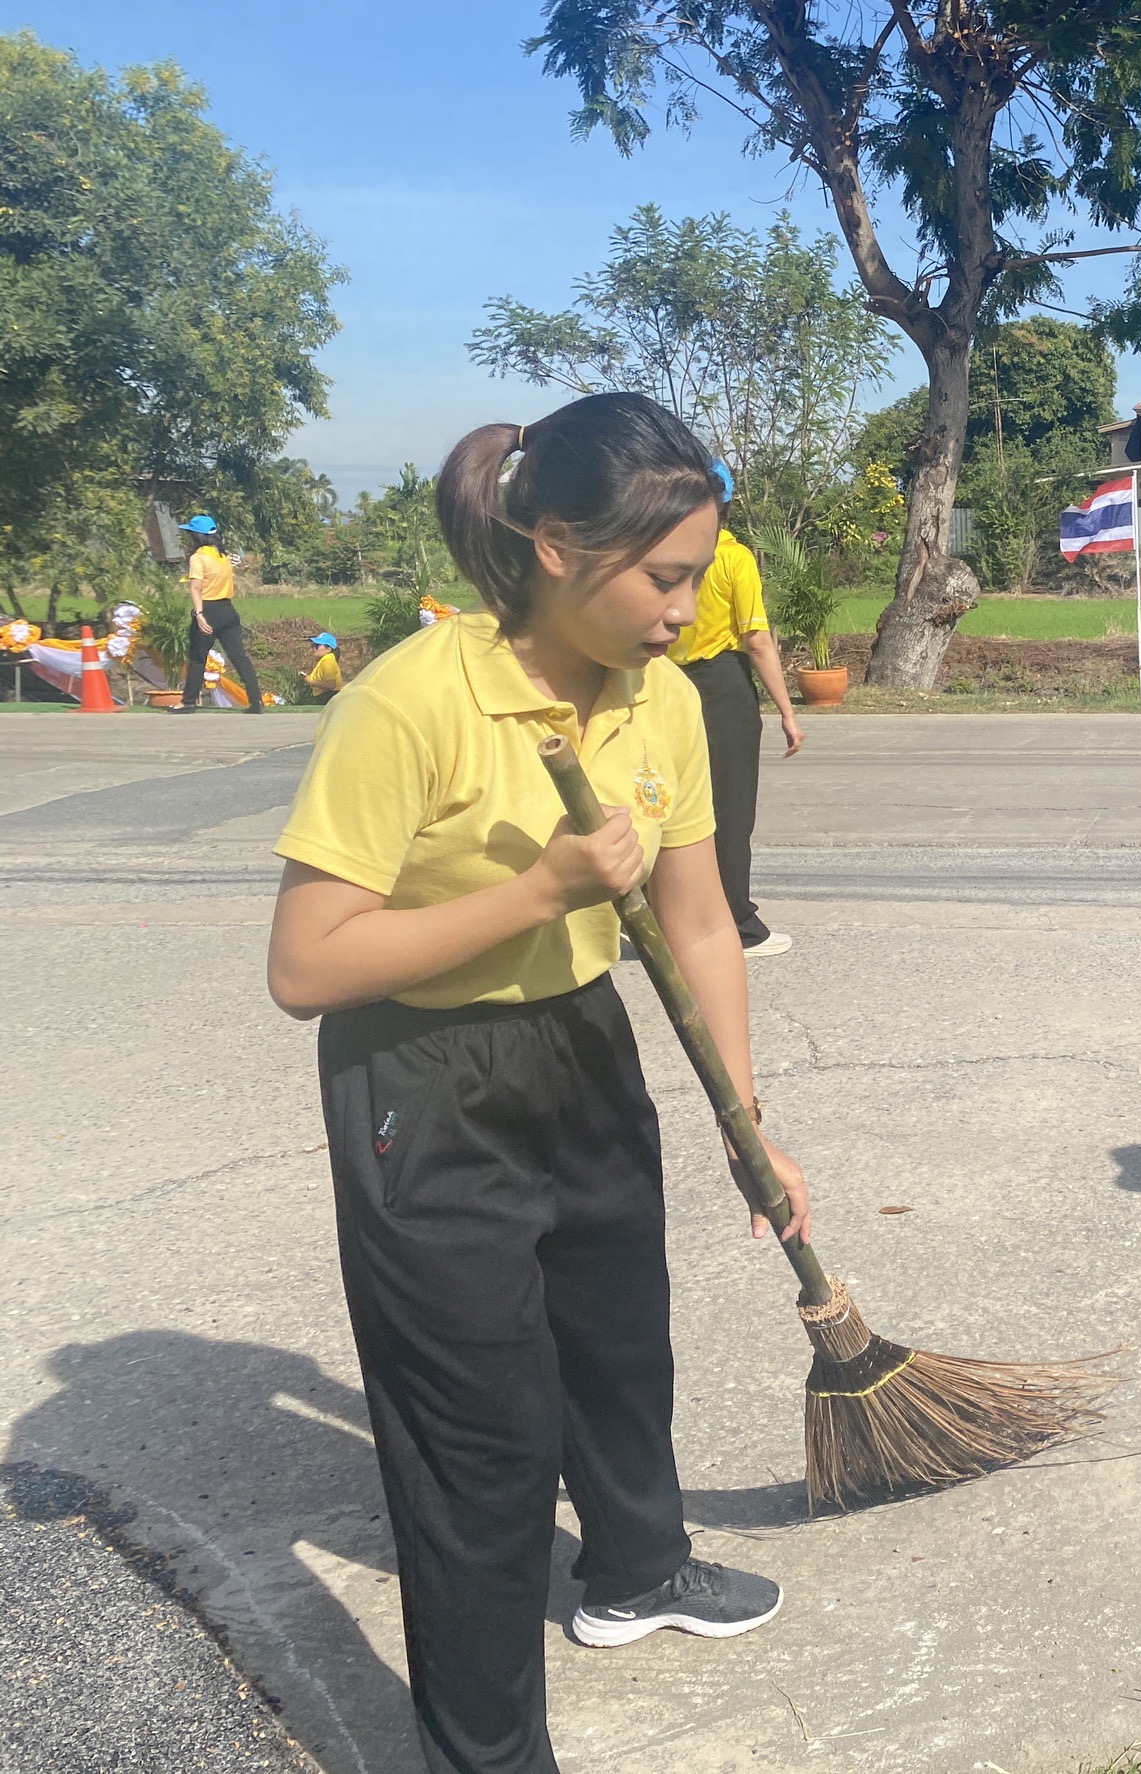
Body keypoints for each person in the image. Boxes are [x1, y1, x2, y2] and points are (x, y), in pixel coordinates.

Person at [265, 392, 808, 1774]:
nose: (689, 607)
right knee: (480, 1445)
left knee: (623, 1341)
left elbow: (697, 923)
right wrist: (540, 889)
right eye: (666, 576)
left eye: (700, 573)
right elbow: (308, 963)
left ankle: (637, 1568)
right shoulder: (413, 699)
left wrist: (748, 1122)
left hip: (583, 1044)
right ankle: (485, 1752)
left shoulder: (664, 699)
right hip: (422, 1077)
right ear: (559, 544)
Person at [667, 462, 803, 957]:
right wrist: (787, 710)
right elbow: (758, 640)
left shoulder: (662, 552)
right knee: (728, 807)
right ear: (726, 503)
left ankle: (670, 918)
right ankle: (738, 925)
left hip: (662, 682)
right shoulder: (732, 558)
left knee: (670, 806)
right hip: (720, 687)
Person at [172, 514, 263, 713]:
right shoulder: (223, 556)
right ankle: (257, 701)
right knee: (240, 658)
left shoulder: (198, 558)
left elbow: (196, 588)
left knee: (197, 658)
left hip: (208, 609)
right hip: (228, 610)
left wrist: (199, 614)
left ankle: (188, 702)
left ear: (197, 536)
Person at [304, 631, 343, 702]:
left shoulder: (327, 662)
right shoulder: (325, 660)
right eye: (313, 645)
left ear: (328, 649)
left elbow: (331, 685)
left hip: (327, 697)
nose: (314, 648)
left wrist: (310, 682)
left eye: (317, 646)